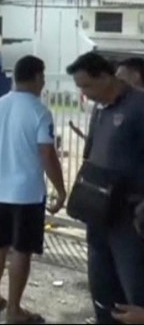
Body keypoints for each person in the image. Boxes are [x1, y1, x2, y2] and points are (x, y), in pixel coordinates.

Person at [0, 55, 67, 324]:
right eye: (42, 78)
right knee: (22, 250)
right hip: (28, 194)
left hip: (1, 191)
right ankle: (14, 309)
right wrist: (61, 190)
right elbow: (47, 154)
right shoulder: (39, 112)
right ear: (38, 77)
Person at [66, 52, 144, 325]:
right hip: (98, 212)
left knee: (133, 289)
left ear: (105, 76)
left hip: (129, 217)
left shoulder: (139, 106)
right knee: (102, 288)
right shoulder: (99, 111)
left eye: (86, 85)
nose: (84, 94)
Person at [70, 57, 144, 140]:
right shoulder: (99, 107)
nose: (83, 92)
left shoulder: (139, 105)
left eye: (86, 86)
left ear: (104, 78)